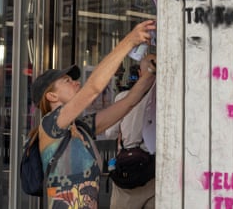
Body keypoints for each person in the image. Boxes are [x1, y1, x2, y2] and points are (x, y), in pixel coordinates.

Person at [30, 20, 157, 209]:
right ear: (51, 95)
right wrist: (129, 41)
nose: (75, 83)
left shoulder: (80, 127)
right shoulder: (51, 124)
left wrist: (151, 71)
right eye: (67, 81)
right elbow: (93, 88)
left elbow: (129, 101)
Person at [106, 53, 157, 209]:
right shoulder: (165, 100)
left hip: (127, 171)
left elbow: (110, 133)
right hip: (153, 172)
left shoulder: (123, 97)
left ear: (140, 73)